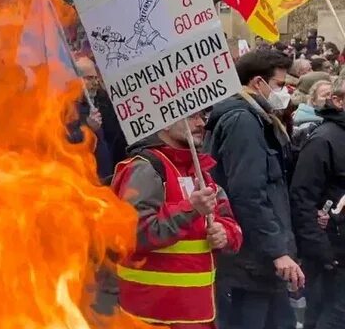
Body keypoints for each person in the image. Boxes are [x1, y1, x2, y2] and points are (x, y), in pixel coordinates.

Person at [111, 112, 243, 328]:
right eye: (191, 117)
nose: (201, 123)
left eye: (202, 116)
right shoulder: (144, 168)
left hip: (197, 313)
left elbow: (230, 222)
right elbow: (134, 233)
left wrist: (224, 233)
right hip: (154, 315)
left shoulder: (200, 171)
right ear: (163, 122)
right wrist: (190, 209)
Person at [204, 49, 302, 329]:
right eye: (280, 84)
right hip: (251, 261)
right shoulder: (243, 122)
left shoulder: (258, 118)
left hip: (261, 259)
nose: (285, 91)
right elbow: (248, 193)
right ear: (258, 82)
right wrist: (276, 251)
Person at [290, 76, 345, 329]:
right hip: (331, 255)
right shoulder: (323, 140)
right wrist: (323, 254)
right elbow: (302, 200)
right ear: (338, 100)